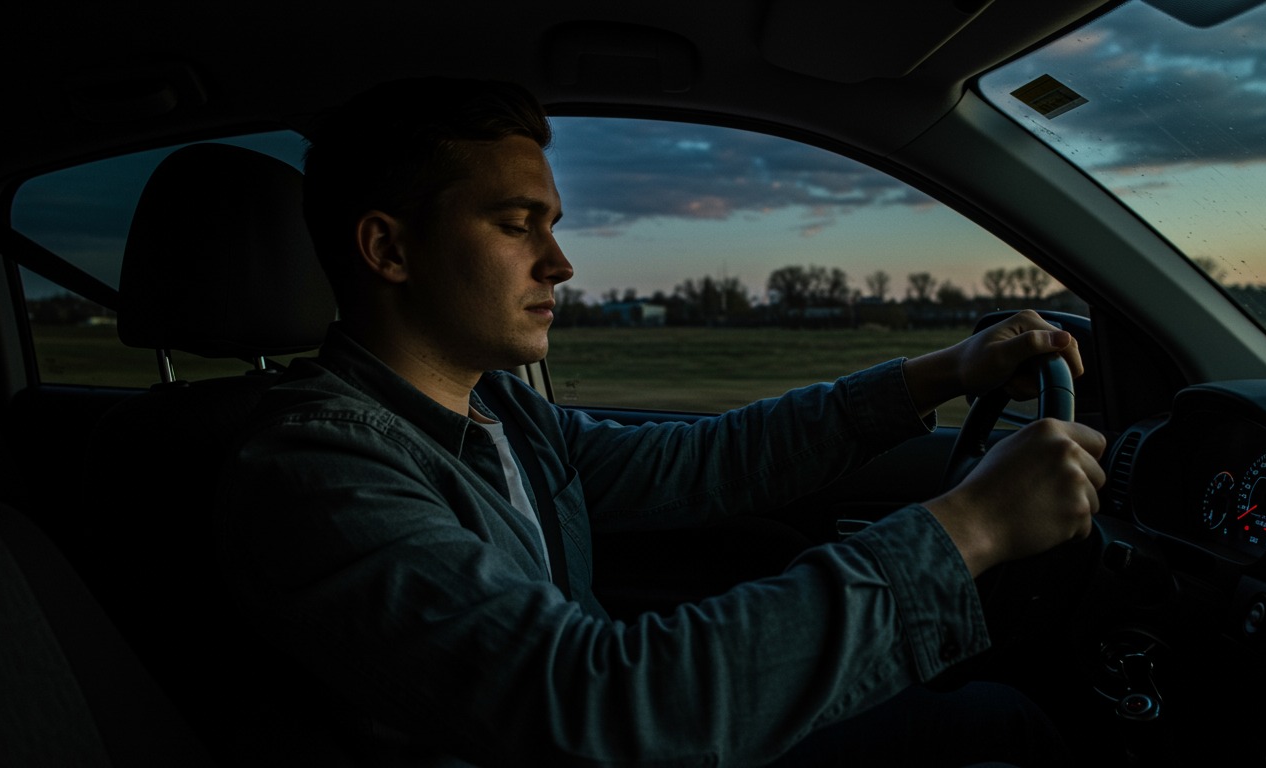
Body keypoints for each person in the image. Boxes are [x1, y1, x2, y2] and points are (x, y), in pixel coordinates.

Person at [215, 76, 1106, 767]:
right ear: (389, 249)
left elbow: (704, 460)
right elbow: (594, 706)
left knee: (997, 720)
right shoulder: (318, 469)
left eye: (552, 225)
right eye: (517, 224)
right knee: (1003, 735)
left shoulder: (502, 415)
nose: (559, 262)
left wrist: (940, 373)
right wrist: (971, 528)